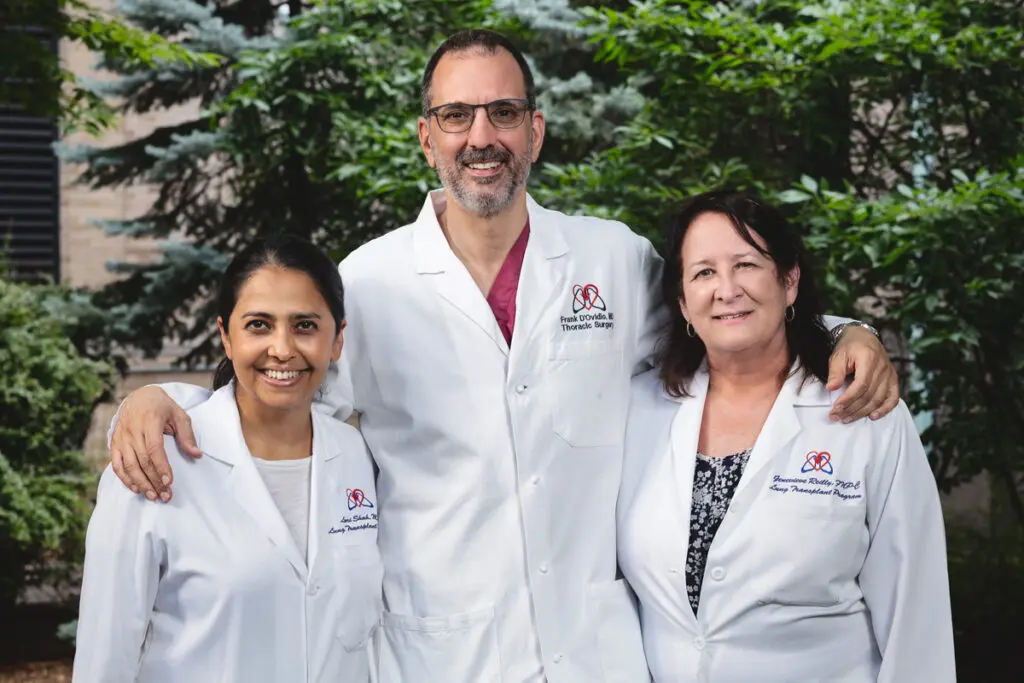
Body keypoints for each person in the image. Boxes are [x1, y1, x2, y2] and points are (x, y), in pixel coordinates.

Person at [103, 31, 900, 683]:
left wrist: (847, 332)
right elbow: (276, 378)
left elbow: (726, 313)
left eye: (503, 112)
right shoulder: (370, 282)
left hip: (597, 657)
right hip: (442, 657)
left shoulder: (609, 261)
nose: (480, 136)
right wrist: (159, 397)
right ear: (426, 138)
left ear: (536, 130)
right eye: (455, 115)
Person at [617, 191, 955, 683]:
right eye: (704, 272)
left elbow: (915, 614)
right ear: (682, 303)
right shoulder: (635, 410)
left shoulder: (866, 413)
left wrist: (853, 331)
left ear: (789, 281)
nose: (727, 289)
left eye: (747, 264)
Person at [72, 236, 382, 683]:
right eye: (259, 325)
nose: (282, 348)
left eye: (305, 325)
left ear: (336, 341)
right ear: (226, 336)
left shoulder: (353, 454)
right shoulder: (154, 465)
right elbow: (105, 660)